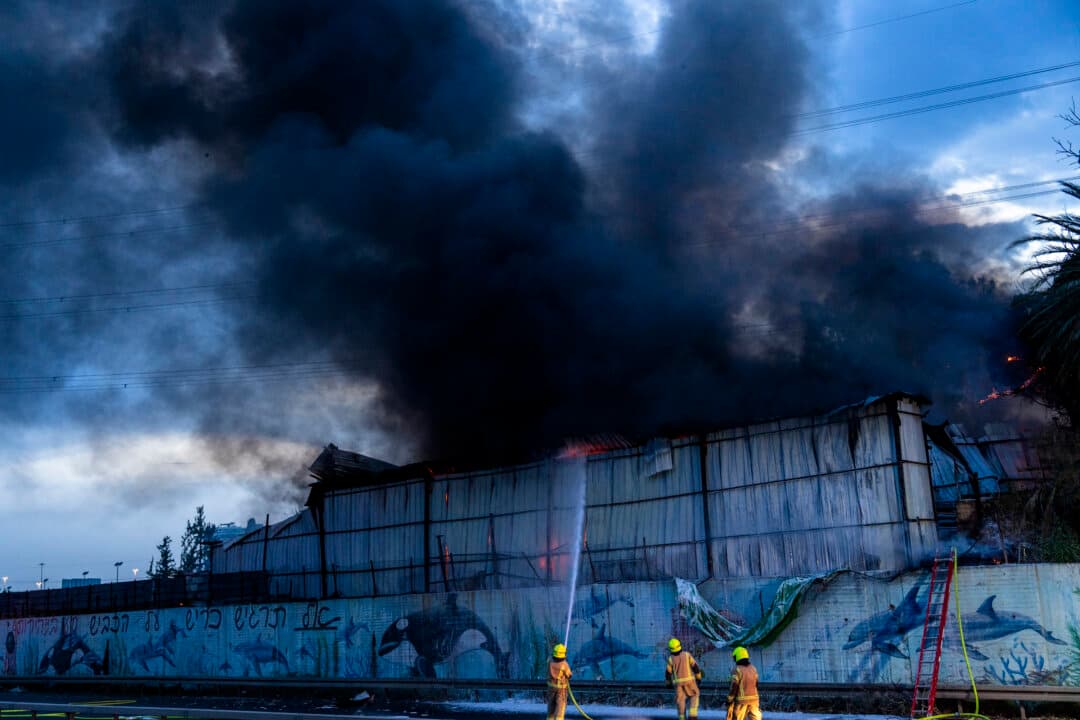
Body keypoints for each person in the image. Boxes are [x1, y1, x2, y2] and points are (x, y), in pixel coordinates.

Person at [665, 637, 702, 720]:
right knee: (694, 695)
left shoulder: (671, 659)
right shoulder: (687, 655)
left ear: (670, 649)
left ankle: (682, 717)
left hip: (678, 684)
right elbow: (695, 667)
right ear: (680, 645)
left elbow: (668, 673)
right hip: (690, 682)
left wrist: (668, 683)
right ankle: (692, 715)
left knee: (680, 701)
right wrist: (698, 678)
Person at [727, 646, 761, 720]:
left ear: (737, 657)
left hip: (741, 701)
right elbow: (757, 684)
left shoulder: (737, 669)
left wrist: (729, 699)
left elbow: (734, 686)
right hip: (754, 701)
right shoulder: (753, 668)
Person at [546, 643, 573, 720]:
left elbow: (550, 658)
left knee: (551, 707)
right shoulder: (564, 664)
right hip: (561, 690)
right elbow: (569, 675)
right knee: (560, 707)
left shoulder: (549, 661)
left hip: (551, 688)